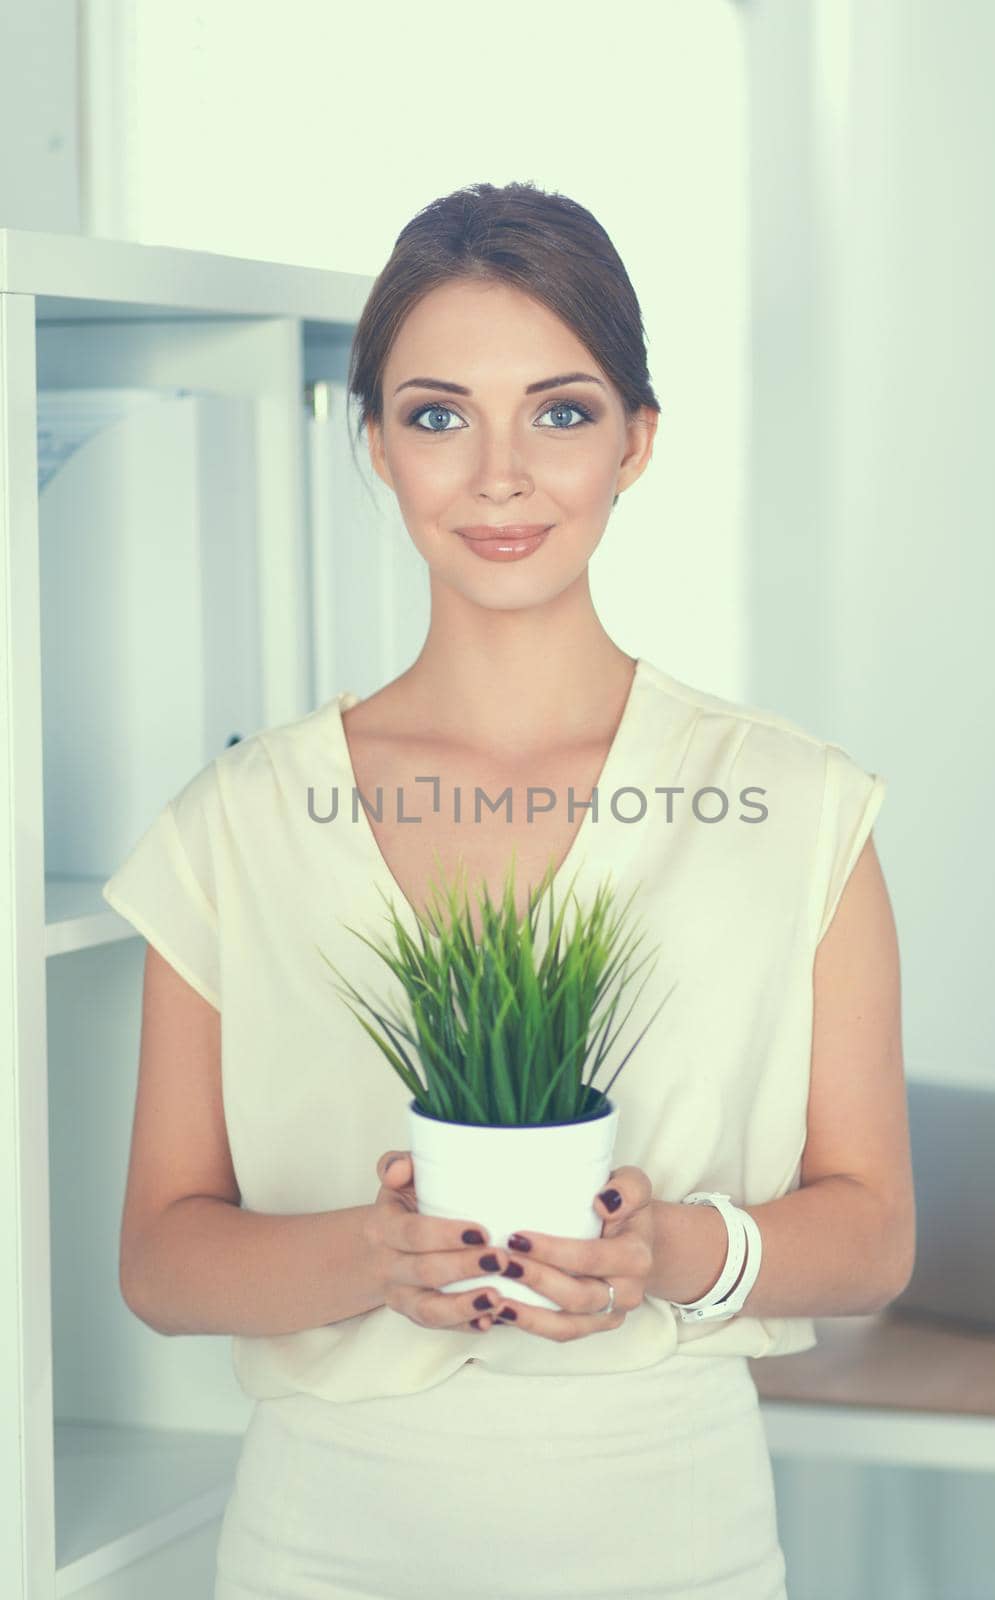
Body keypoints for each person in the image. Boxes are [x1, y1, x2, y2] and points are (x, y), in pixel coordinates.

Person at [103, 180, 913, 1600]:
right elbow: (165, 1260)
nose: (498, 476)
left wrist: (670, 1251)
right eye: (434, 416)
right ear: (374, 446)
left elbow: (873, 1234)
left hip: (675, 1538)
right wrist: (373, 1258)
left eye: (559, 410)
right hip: (322, 1547)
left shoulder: (794, 807)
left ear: (636, 442)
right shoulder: (239, 822)